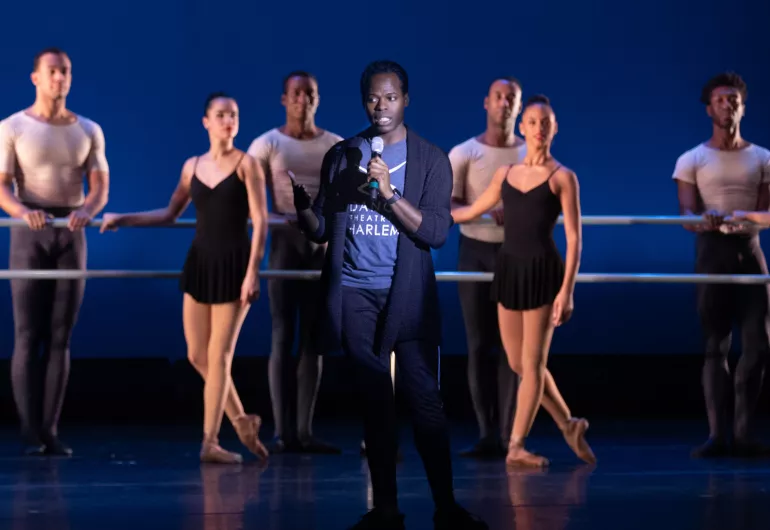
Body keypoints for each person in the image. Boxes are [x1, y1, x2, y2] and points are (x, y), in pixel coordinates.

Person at [292, 60, 487, 530]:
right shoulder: (342, 155)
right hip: (356, 295)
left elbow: (437, 232)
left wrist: (388, 192)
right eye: (373, 98)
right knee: (375, 402)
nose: (381, 107)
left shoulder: (431, 160)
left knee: (425, 403)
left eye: (390, 97)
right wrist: (303, 211)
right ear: (363, 100)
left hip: (409, 297)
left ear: (406, 99)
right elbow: (322, 229)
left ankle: (446, 508)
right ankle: (385, 510)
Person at [100, 93, 269, 464]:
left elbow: (261, 221)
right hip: (200, 263)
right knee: (196, 354)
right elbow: (169, 213)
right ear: (206, 122)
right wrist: (122, 218)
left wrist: (252, 273)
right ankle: (242, 422)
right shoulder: (191, 166)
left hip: (233, 265)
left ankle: (210, 442)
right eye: (221, 115)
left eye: (234, 115)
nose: (228, 120)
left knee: (219, 355)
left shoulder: (248, 164)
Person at [452, 95, 596, 468]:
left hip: (542, 272)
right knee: (518, 362)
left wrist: (568, 290)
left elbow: (576, 238)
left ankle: (516, 444)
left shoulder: (564, 177)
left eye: (546, 122)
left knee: (532, 365)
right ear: (523, 128)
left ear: (555, 128)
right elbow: (471, 210)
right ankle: (568, 424)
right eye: (533, 122)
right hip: (510, 270)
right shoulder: (506, 174)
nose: (539, 128)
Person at [0, 48, 110, 457]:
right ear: (36, 78)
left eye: (65, 71)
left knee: (61, 336)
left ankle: (50, 430)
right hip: (30, 229)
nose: (59, 78)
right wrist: (23, 211)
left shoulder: (89, 129)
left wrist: (87, 210)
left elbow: (99, 186)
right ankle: (29, 431)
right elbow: (2, 186)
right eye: (52, 71)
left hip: (71, 230)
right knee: (28, 334)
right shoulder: (11, 126)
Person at [673, 72, 770, 458]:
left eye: (734, 100)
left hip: (750, 254)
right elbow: (685, 215)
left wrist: (745, 215)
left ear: (743, 106)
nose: (727, 105)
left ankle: (744, 433)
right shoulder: (691, 159)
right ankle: (717, 435)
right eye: (720, 100)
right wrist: (706, 219)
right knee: (715, 346)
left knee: (759, 346)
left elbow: (767, 212)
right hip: (711, 254)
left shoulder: (762, 157)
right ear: (708, 107)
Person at [247, 71, 342, 454]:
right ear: (284, 99)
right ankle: (282, 431)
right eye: (296, 94)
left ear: (318, 99)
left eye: (310, 94)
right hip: (286, 245)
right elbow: (249, 192)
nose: (303, 100)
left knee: (313, 342)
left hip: (319, 247)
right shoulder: (267, 144)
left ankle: (304, 430)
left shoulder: (334, 144)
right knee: (282, 334)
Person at [449, 77, 526, 458]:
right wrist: (482, 211)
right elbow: (447, 208)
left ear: (519, 106)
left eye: (511, 98)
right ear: (486, 103)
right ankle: (487, 433)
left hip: (516, 255)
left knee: (514, 350)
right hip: (474, 253)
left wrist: (515, 213)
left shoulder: (531, 153)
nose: (505, 103)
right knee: (479, 345)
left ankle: (512, 435)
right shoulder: (464, 152)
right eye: (499, 97)